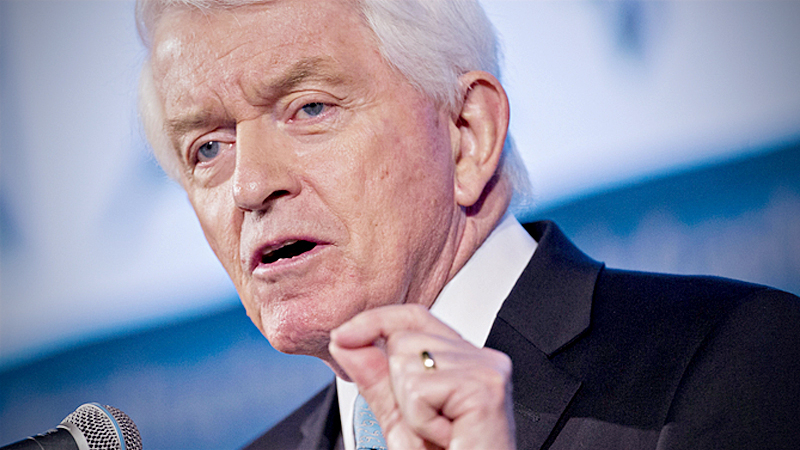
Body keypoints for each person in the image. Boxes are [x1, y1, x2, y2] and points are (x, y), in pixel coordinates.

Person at [134, 0, 800, 449]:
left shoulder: (739, 361)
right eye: (209, 149)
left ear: (466, 133)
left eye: (310, 108)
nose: (250, 185)